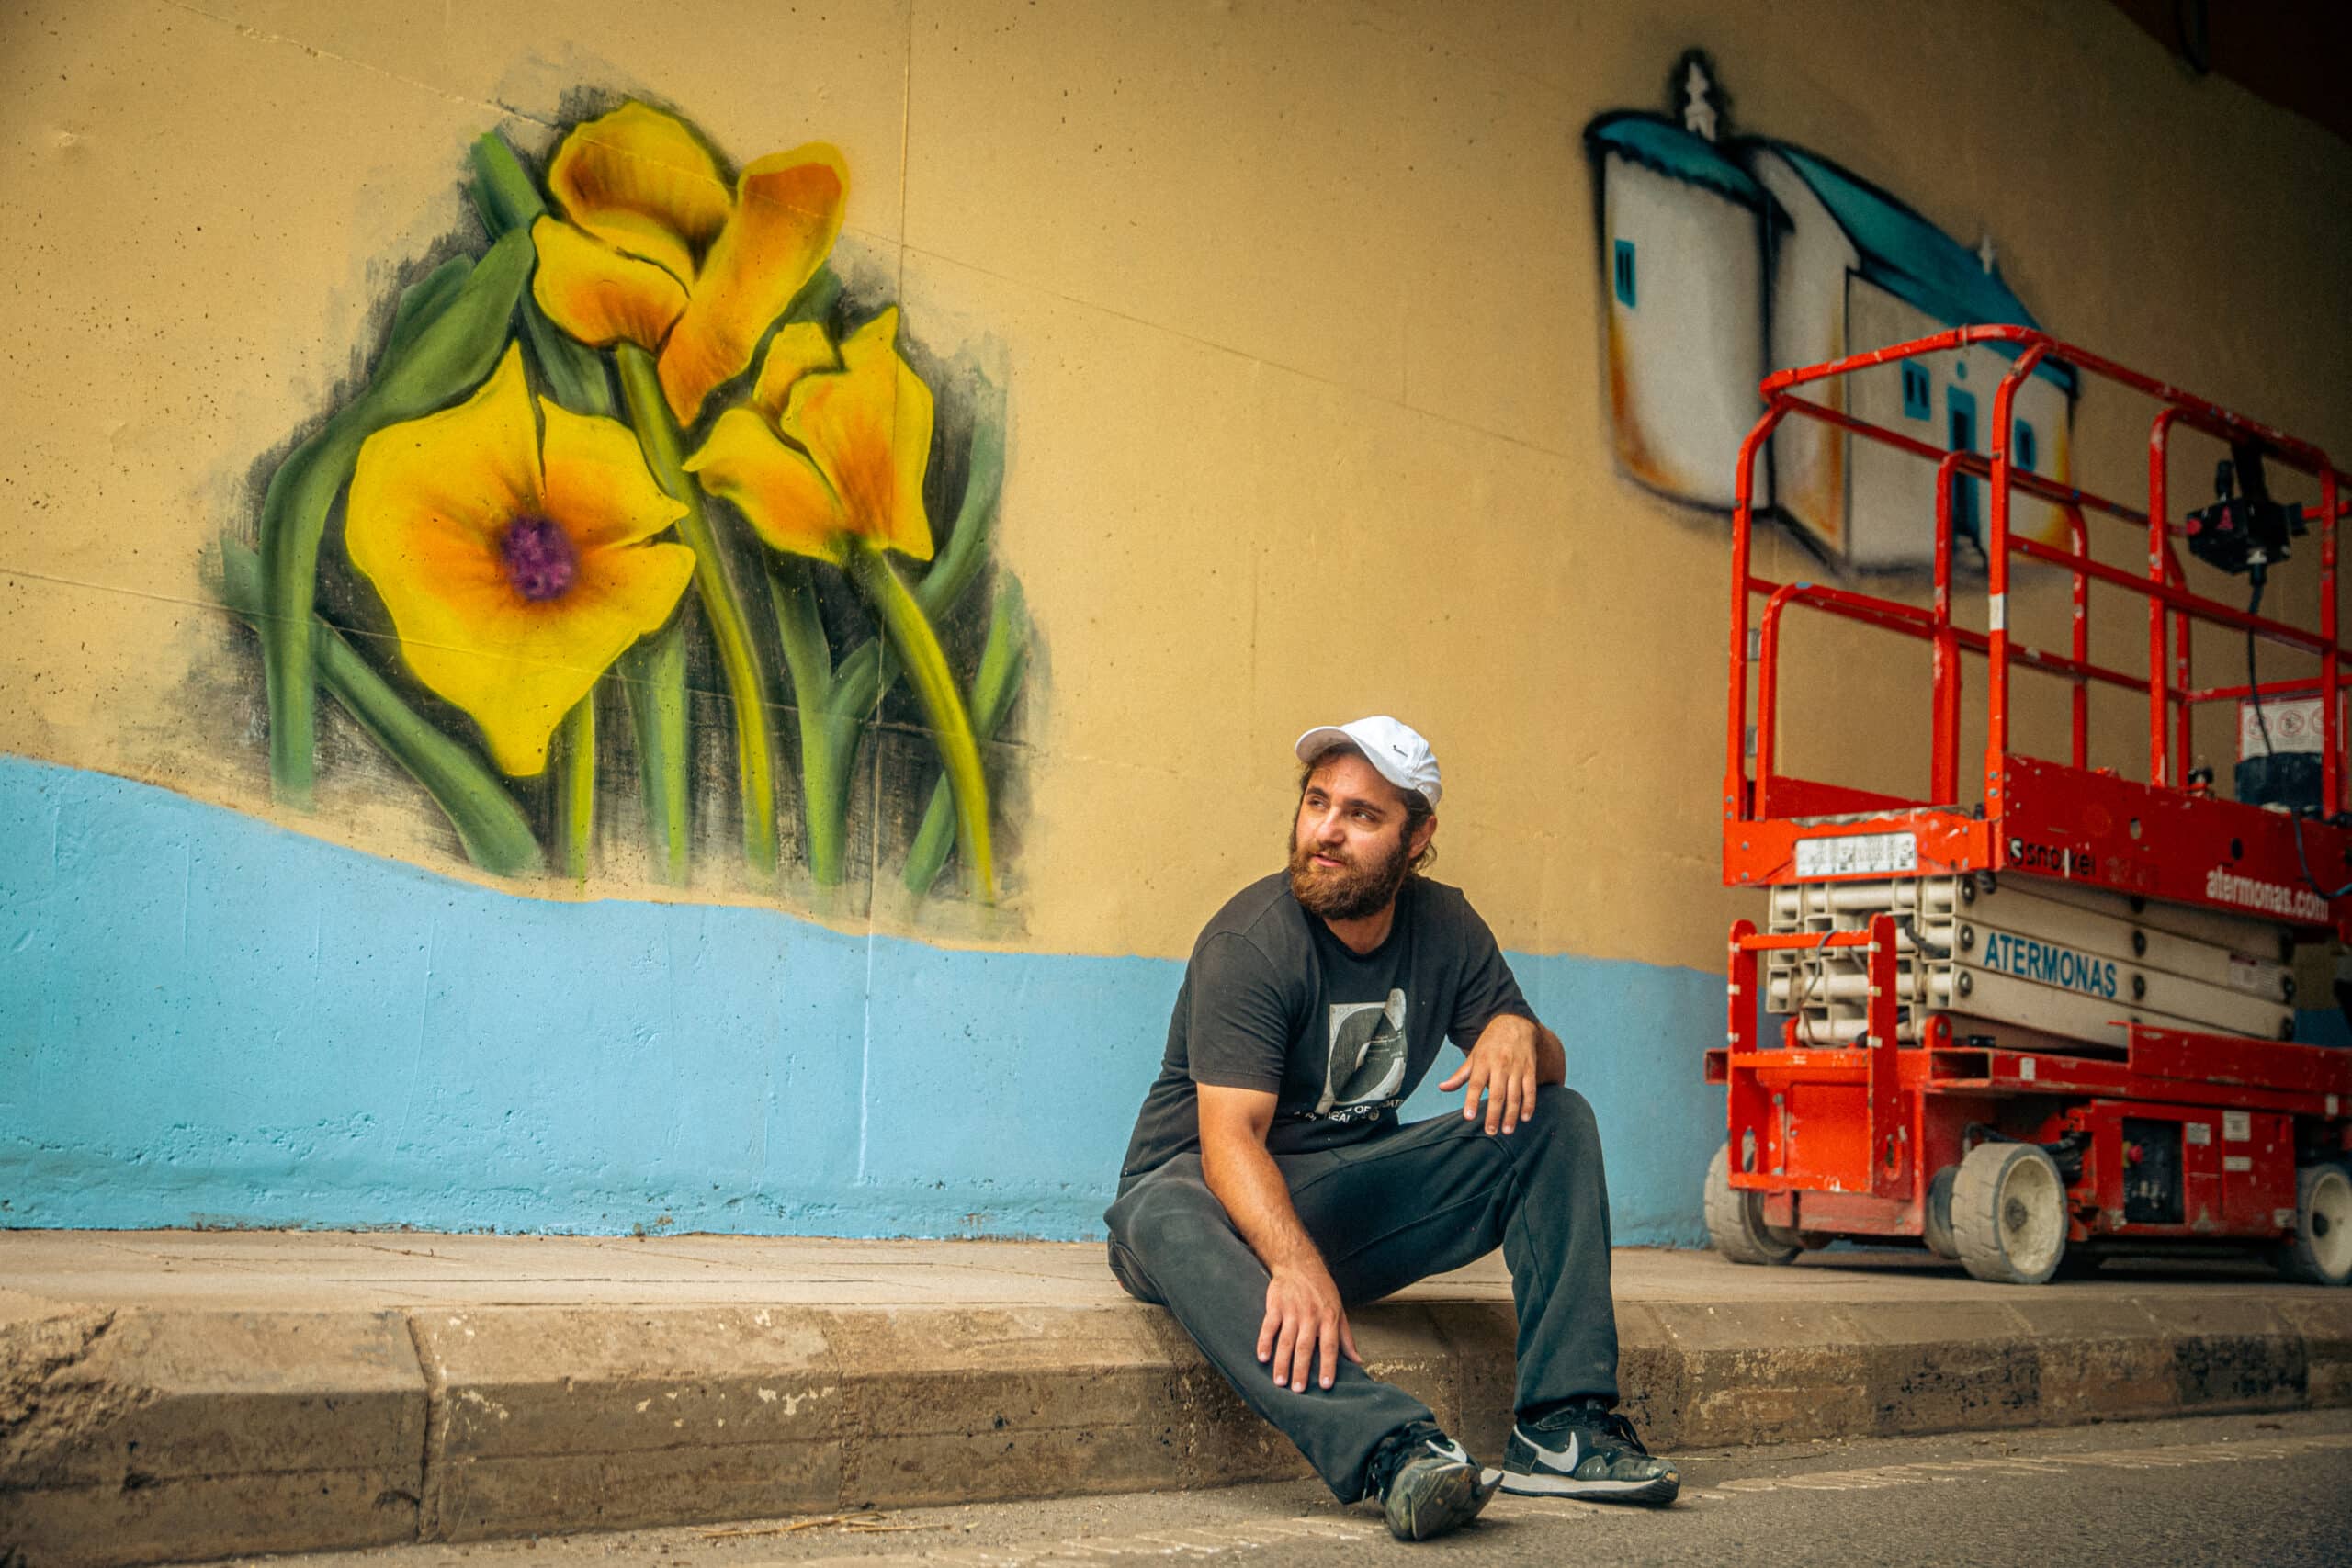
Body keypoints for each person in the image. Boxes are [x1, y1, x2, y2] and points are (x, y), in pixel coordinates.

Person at [1105, 716, 1677, 1541]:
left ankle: (1564, 1429)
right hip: (1206, 1206)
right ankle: (1393, 1448)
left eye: (1362, 815)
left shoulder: (1445, 928)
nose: (1325, 833)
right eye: (1315, 803)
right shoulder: (1250, 941)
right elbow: (1230, 1138)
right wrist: (1294, 1264)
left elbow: (1536, 1064)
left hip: (1340, 1196)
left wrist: (1523, 1033)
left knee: (1554, 1119)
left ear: (1418, 839)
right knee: (1164, 1203)